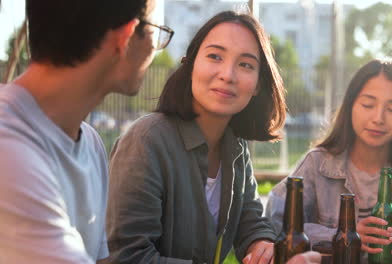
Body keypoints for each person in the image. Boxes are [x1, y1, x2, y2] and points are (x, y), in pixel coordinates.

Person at [104, 10, 320, 264]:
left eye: (245, 64)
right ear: (191, 63)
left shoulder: (235, 146)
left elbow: (249, 217)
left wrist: (261, 243)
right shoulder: (146, 141)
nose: (228, 75)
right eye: (215, 56)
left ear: (258, 85)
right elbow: (126, 256)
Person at [0, 0, 173, 263]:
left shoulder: (90, 143)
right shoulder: (9, 151)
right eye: (157, 30)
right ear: (126, 37)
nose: (156, 46)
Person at [266, 58, 392, 263]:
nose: (378, 118)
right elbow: (275, 221)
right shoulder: (318, 165)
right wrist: (345, 236)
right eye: (368, 104)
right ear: (350, 105)